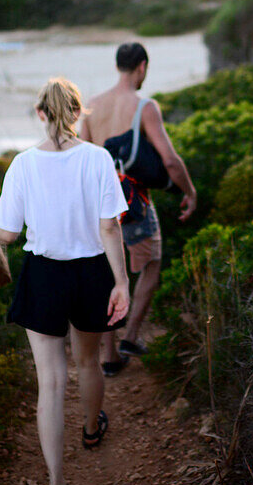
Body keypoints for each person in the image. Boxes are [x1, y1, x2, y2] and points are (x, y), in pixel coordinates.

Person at [0, 77, 130, 485]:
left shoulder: (24, 163)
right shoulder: (98, 159)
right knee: (88, 362)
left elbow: (8, 234)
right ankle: (90, 430)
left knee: (50, 381)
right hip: (91, 273)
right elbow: (108, 227)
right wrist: (121, 282)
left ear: (40, 113)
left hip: (44, 274)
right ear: (79, 112)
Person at [80, 42, 197, 375]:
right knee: (152, 263)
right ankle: (130, 336)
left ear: (119, 65)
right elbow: (171, 160)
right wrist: (189, 191)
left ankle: (109, 356)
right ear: (142, 67)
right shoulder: (144, 106)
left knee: (106, 273)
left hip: (99, 203)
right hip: (134, 201)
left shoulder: (92, 105)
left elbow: (81, 157)